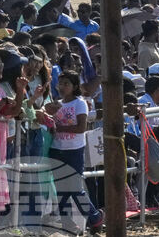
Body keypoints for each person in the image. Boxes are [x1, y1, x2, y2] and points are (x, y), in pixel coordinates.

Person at [45, 70, 104, 231]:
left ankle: (94, 216)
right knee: (61, 189)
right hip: (57, 149)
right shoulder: (57, 103)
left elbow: (81, 127)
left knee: (75, 188)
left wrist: (59, 128)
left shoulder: (79, 103)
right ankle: (66, 222)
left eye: (66, 84)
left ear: (74, 86)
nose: (62, 87)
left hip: (74, 150)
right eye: (60, 83)